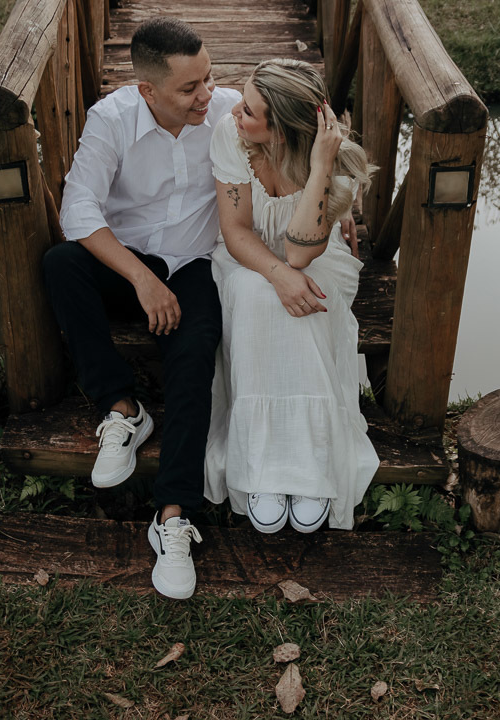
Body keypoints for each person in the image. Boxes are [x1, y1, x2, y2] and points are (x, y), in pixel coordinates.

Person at [42, 17, 241, 600]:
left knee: (196, 351)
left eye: (208, 78)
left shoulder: (227, 109)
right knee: (60, 264)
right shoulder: (111, 118)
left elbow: (304, 135)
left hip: (197, 262)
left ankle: (173, 514)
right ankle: (122, 408)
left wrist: (341, 210)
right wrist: (139, 279)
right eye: (189, 88)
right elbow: (78, 210)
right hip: (128, 260)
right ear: (147, 90)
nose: (206, 95)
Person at [203, 59, 380, 533]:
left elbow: (302, 254)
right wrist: (276, 274)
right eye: (242, 100)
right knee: (257, 296)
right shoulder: (230, 134)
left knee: (311, 298)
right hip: (247, 252)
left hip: (314, 254)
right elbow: (237, 231)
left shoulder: (332, 161)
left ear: (280, 132)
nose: (236, 111)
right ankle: (262, 464)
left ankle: (310, 464)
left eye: (251, 109)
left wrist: (321, 166)